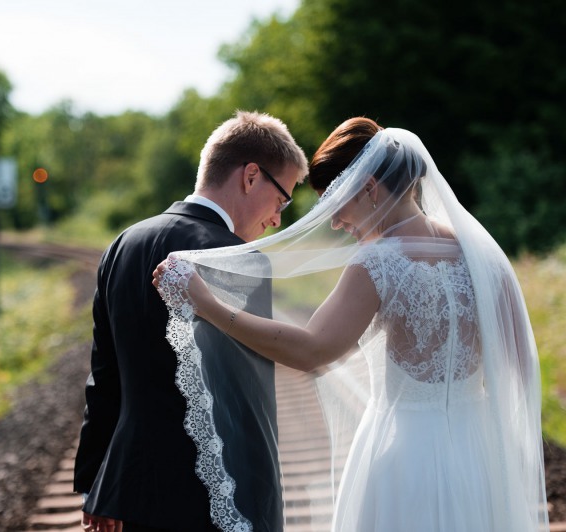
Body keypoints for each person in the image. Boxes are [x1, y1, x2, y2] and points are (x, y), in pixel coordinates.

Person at [153, 117, 549, 531]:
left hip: (404, 458)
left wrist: (207, 304)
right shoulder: (482, 254)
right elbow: (521, 369)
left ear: (369, 189)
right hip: (478, 459)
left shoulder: (378, 261)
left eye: (335, 203)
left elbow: (311, 349)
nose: (336, 222)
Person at [73, 110, 308, 532]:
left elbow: (104, 378)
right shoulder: (239, 260)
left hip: (129, 492)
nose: (277, 219)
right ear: (251, 176)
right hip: (211, 495)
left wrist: (96, 483)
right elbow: (247, 403)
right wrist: (265, 505)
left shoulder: (123, 244)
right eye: (282, 199)